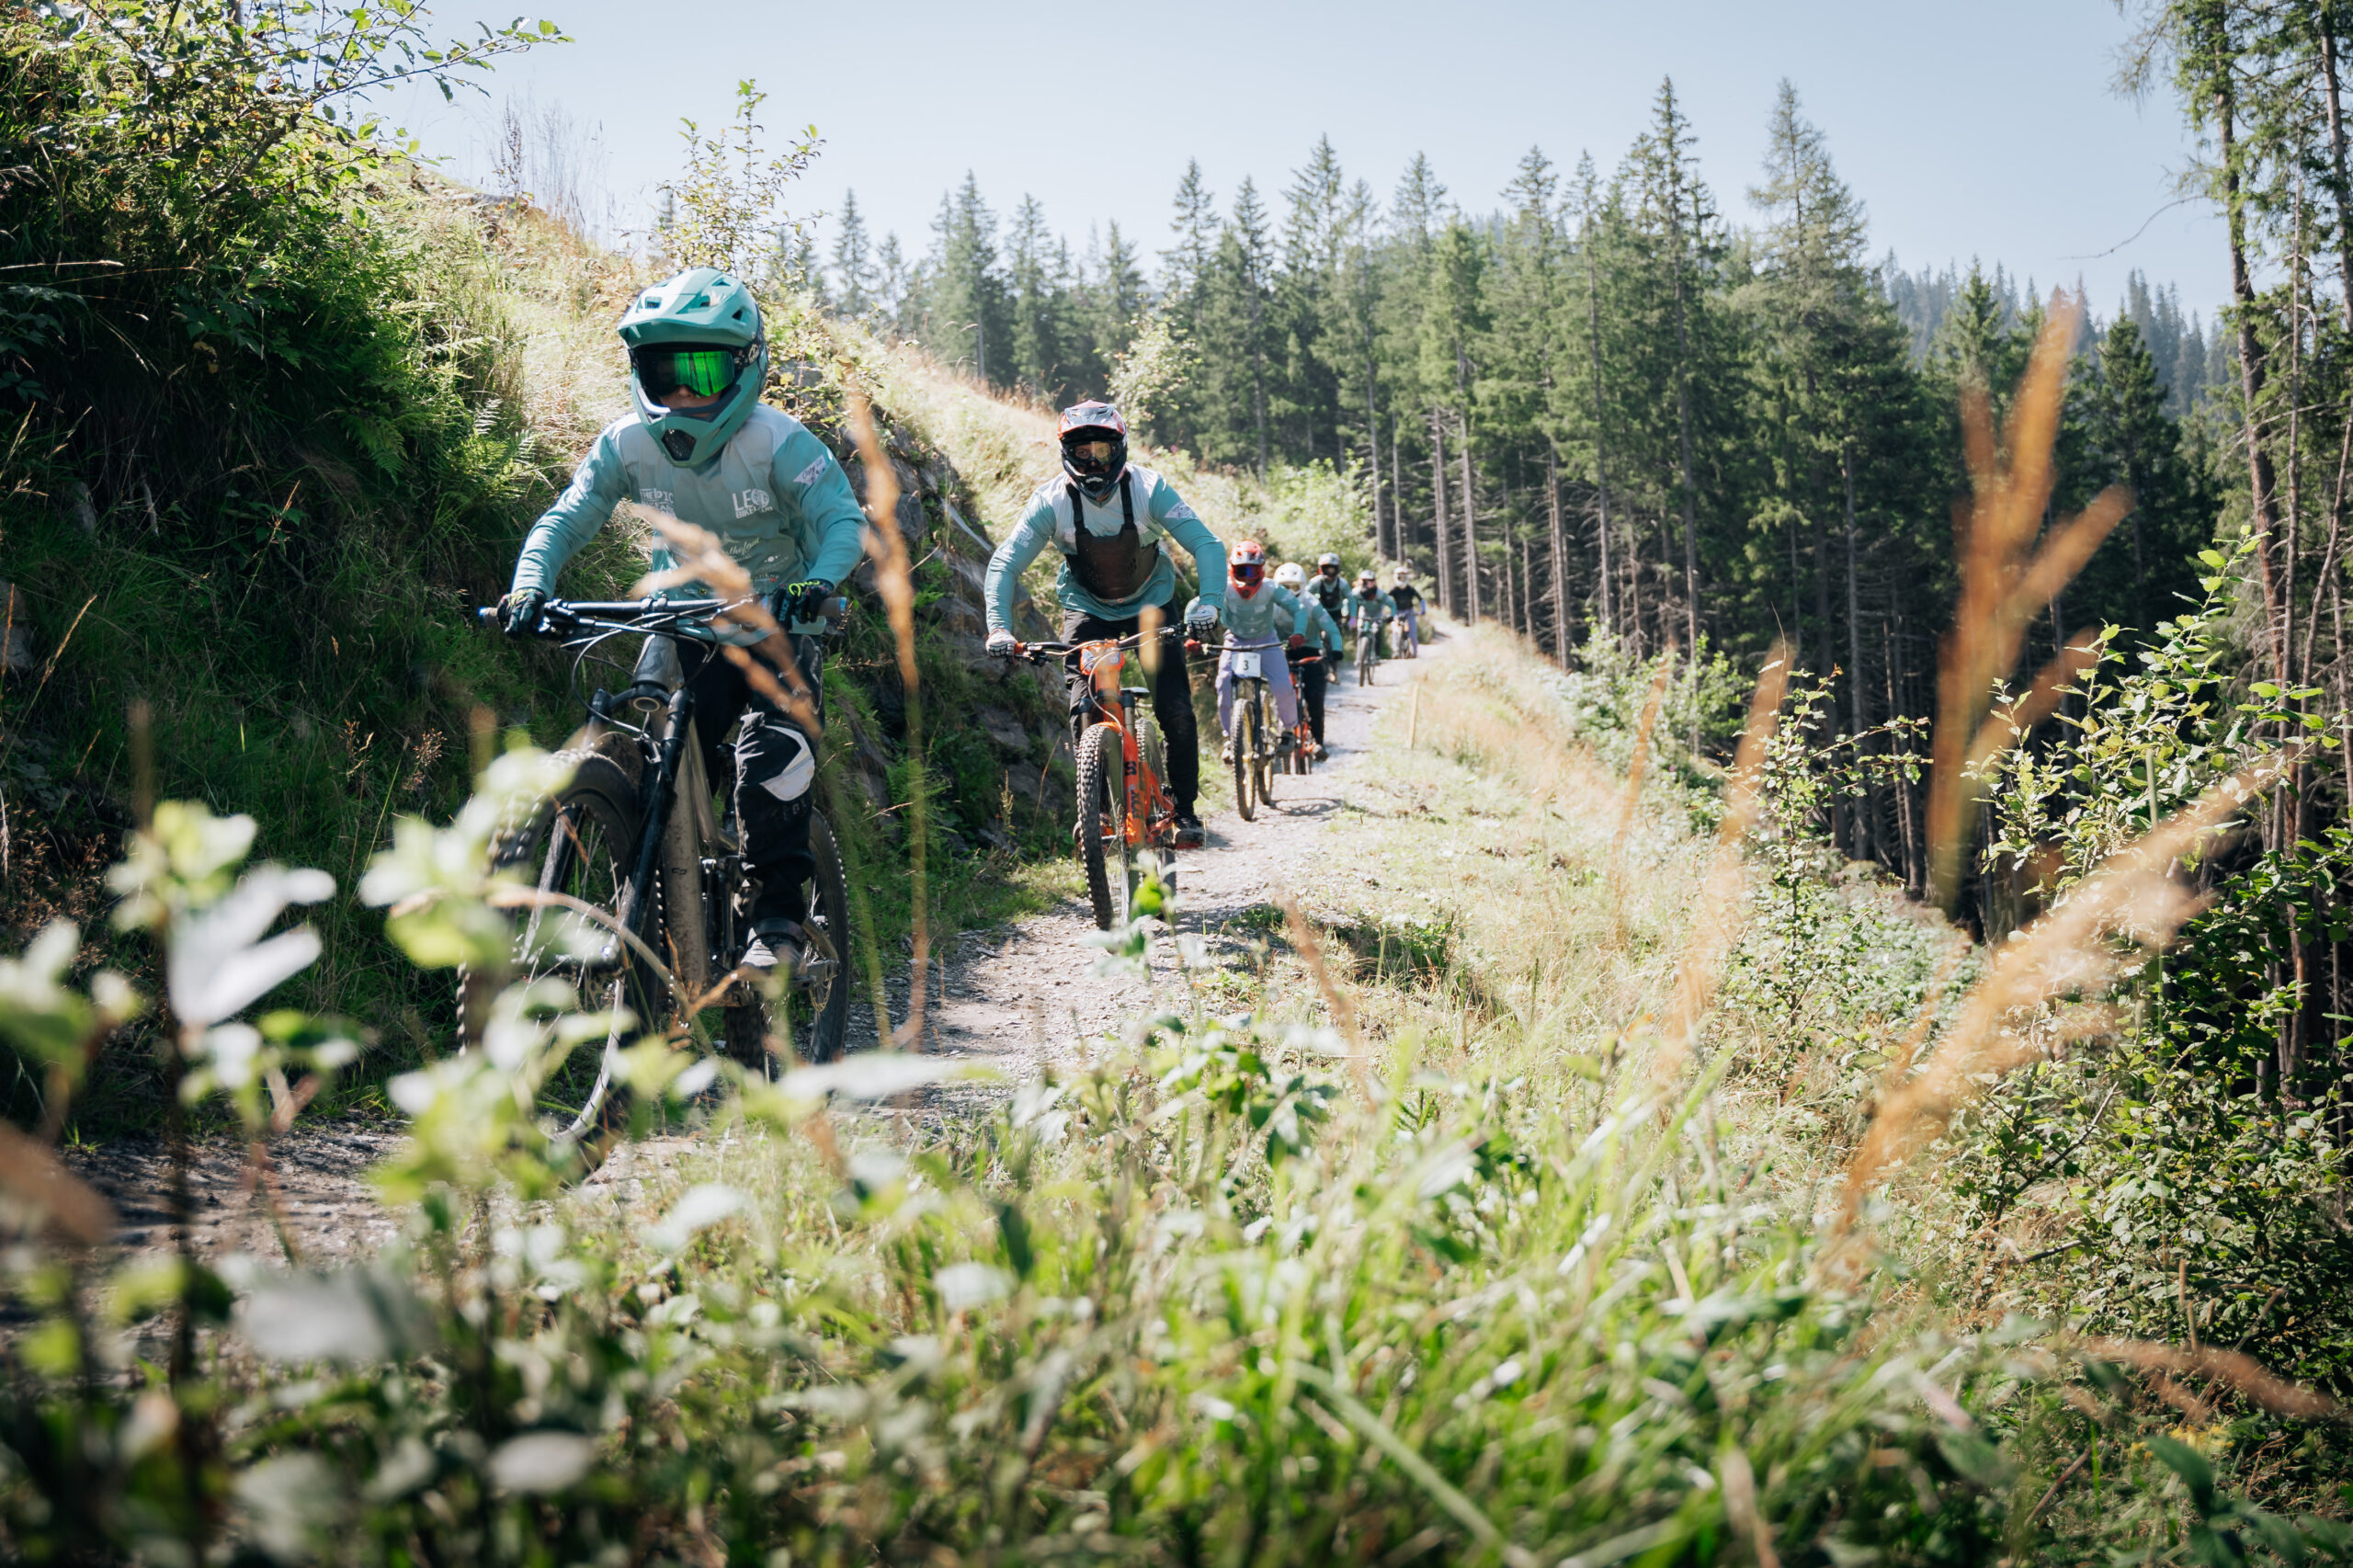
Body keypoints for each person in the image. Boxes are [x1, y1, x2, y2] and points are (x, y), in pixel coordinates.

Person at [496, 267, 864, 981]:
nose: (686, 392)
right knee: (638, 759)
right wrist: (530, 585)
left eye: (703, 369)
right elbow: (567, 519)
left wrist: (815, 581)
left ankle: (780, 917)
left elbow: (841, 522)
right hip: (681, 627)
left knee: (768, 768)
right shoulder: (625, 443)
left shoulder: (780, 445)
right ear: (641, 371)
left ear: (746, 366)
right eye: (668, 371)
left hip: (775, 629)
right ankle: (647, 909)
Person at [983, 401, 1223, 848]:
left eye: (1104, 451)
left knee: (1175, 709)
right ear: (1065, 453)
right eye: (1082, 451)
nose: (1093, 462)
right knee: (1083, 706)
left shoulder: (1151, 490)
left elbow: (1206, 545)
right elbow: (1003, 566)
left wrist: (1208, 603)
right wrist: (999, 627)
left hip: (1152, 606)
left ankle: (1185, 812)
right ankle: (1094, 815)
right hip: (1087, 611)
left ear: (1122, 449)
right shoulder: (1050, 502)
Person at [1200, 540, 1304, 765]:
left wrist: (1299, 632)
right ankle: (1230, 739)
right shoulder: (1223, 587)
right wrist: (1193, 633)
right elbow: (1198, 605)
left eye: (1253, 571)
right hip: (1234, 640)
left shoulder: (1271, 588)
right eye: (1241, 571)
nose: (1247, 578)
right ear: (1231, 569)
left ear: (1262, 570)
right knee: (1224, 684)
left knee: (1283, 686)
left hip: (1267, 640)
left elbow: (1298, 608)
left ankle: (1288, 731)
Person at [1274, 562, 1341, 757]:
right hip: (1280, 650)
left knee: (1315, 698)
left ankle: (1319, 742)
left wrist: (1336, 649)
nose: (1289, 592)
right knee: (1278, 692)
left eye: (1294, 587)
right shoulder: (1270, 604)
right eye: (1284, 587)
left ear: (1302, 586)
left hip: (1310, 651)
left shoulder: (1311, 603)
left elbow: (1330, 627)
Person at [1344, 569, 1395, 674]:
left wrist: (1391, 616)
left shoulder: (1380, 594)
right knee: (1360, 631)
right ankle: (1359, 658)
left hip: (1377, 613)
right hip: (1363, 612)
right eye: (1365, 580)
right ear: (1360, 581)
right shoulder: (1356, 592)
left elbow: (1392, 605)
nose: (1368, 583)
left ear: (1375, 581)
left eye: (1371, 580)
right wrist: (1346, 614)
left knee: (1376, 631)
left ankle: (1376, 656)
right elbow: (1346, 602)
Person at [1305, 551, 1350, 631]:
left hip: (1336, 614)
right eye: (1326, 569)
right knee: (1313, 632)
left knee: (1337, 636)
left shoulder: (1343, 584)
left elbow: (1352, 600)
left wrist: (1353, 621)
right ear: (1321, 569)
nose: (1329, 573)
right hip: (1320, 612)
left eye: (1332, 569)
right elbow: (1305, 596)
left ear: (1337, 569)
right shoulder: (1315, 582)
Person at [1389, 565, 1424, 655]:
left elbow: (1421, 599)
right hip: (1397, 612)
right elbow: (1385, 598)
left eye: (1404, 577)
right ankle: (1396, 651)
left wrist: (1423, 609)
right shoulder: (1394, 589)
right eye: (1400, 577)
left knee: (1412, 633)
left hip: (1409, 612)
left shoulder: (1410, 589)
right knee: (1395, 632)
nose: (1402, 579)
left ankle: (1415, 652)